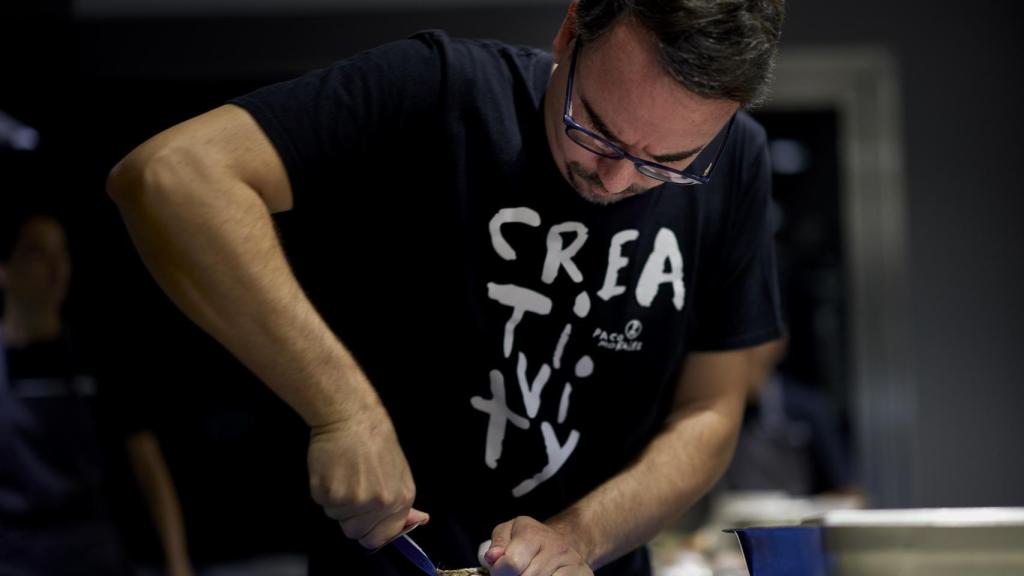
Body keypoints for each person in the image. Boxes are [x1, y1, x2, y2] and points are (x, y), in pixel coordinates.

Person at [106, 1, 786, 574]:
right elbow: (172, 177)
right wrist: (343, 410)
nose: (615, 179)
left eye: (667, 164)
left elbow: (709, 412)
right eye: (597, 130)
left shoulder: (741, 164)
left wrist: (581, 536)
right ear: (569, 31)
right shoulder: (443, 90)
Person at [0, 210, 194, 576]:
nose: (57, 268)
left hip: (92, 552)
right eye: (38, 254)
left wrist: (177, 562)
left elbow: (148, 466)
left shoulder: (96, 356)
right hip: (13, 555)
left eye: (63, 254)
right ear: (4, 269)